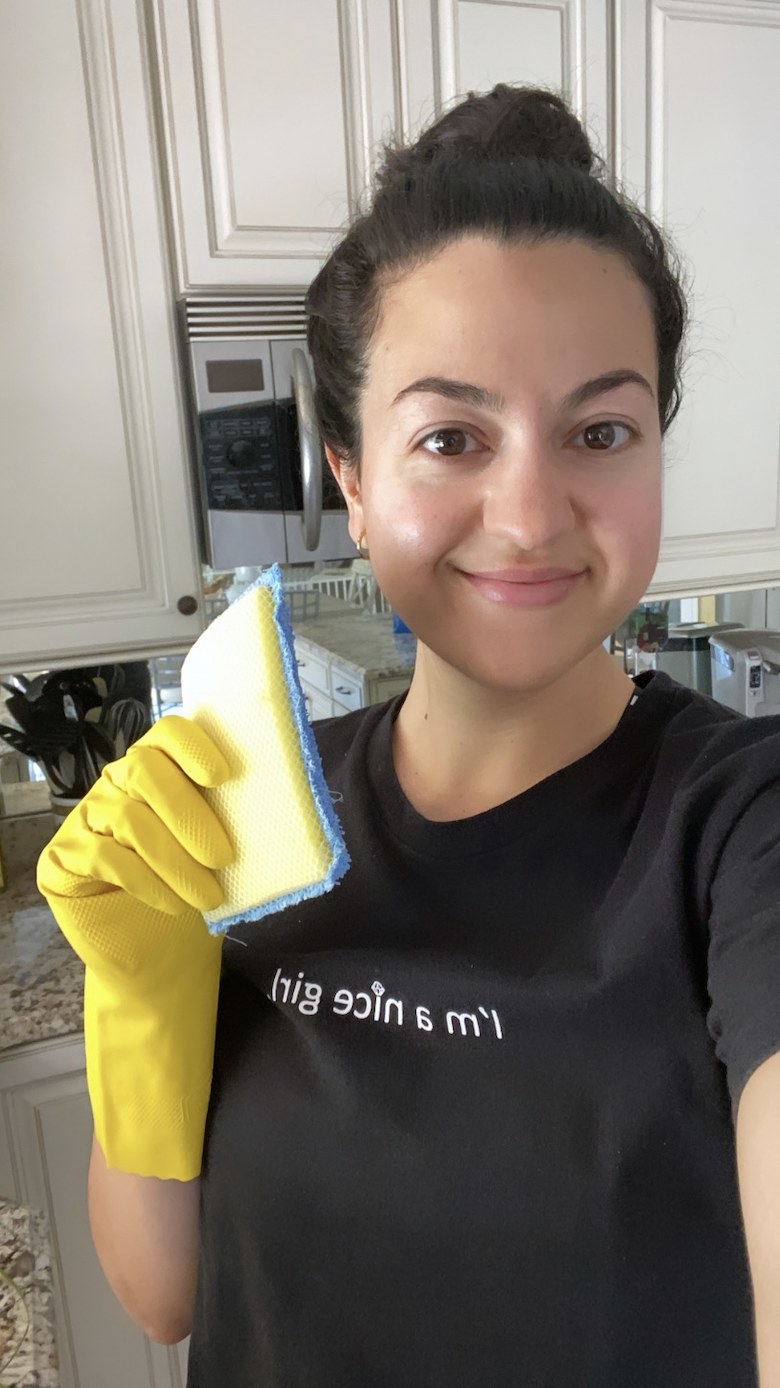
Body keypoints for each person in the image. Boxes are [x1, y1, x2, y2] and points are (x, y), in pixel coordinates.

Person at [37, 84, 780, 1386]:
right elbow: (162, 1295)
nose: (532, 513)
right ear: (354, 481)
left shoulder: (739, 829)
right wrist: (143, 992)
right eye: (451, 437)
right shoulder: (248, 811)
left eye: (602, 431)